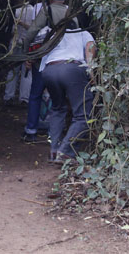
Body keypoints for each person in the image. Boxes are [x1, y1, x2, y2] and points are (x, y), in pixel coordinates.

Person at [18, 0, 78, 143]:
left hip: (44, 60)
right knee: (58, 97)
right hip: (66, 60)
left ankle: (31, 130)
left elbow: (32, 31)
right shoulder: (70, 12)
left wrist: (28, 53)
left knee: (35, 94)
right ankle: (54, 133)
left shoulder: (47, 11)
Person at [40, 25, 96, 163]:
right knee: (83, 114)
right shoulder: (82, 31)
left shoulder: (52, 33)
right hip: (71, 69)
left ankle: (54, 151)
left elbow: (42, 56)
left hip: (50, 70)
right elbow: (90, 46)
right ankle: (65, 151)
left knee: (57, 109)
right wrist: (90, 69)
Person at [3, 0, 40, 104]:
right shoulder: (34, 10)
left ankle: (9, 96)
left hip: (16, 43)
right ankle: (24, 98)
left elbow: (11, 30)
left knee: (12, 70)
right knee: (26, 72)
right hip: (28, 44)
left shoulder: (16, 10)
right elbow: (34, 29)